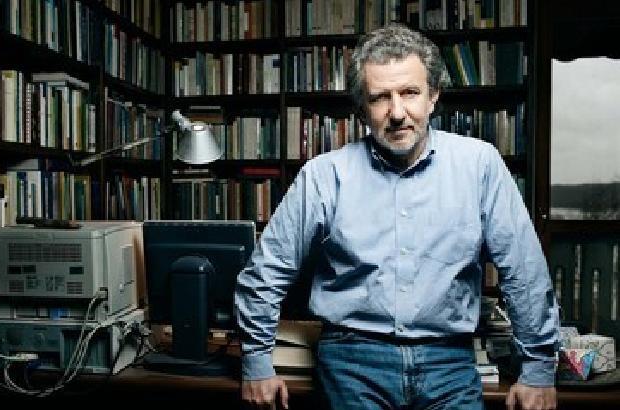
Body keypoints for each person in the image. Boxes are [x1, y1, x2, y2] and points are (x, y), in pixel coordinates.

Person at [234, 23, 560, 410]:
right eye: (380, 98)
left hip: (449, 364)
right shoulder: (324, 175)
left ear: (433, 96)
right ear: (362, 109)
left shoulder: (479, 165)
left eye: (410, 93)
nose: (397, 113)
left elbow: (523, 270)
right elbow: (268, 270)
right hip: (352, 363)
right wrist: (257, 362)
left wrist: (538, 368)